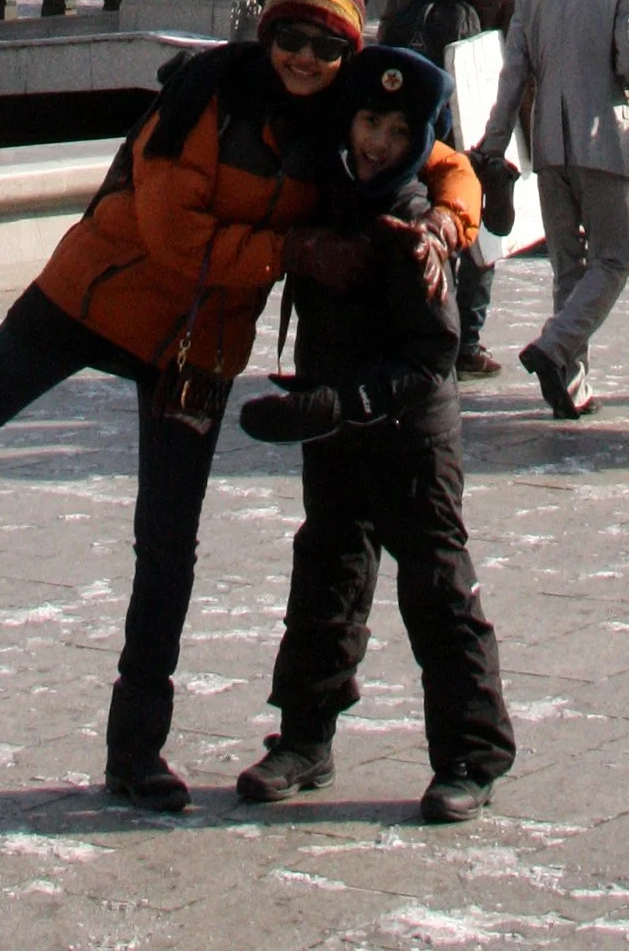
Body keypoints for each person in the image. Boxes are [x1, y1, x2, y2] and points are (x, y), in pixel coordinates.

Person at [0, 0, 482, 814]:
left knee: (168, 547)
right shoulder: (205, 95)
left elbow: (449, 159)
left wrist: (445, 223)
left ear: (347, 55)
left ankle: (137, 750)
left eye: (326, 46)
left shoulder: (347, 117)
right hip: (91, 298)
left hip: (195, 347)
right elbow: (171, 233)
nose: (304, 58)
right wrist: (292, 254)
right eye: (289, 37)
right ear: (264, 34)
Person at [234, 45, 514, 825]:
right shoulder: (326, 195)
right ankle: (303, 737)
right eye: (368, 121)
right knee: (326, 575)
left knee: (436, 589)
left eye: (397, 129)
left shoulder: (419, 226)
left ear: (420, 139)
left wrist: (338, 404)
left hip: (411, 440)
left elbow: (433, 365)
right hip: (339, 427)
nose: (378, 142)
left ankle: (470, 755)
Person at [477, 0, 629, 420]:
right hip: (603, 137)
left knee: (568, 265)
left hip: (549, 144)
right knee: (615, 259)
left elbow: (513, 74)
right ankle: (555, 345)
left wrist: (494, 144)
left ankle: (572, 385)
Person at [379, 0, 524, 378]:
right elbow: (521, 62)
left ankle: (412, 327)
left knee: (417, 218)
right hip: (475, 124)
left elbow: (385, 40)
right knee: (477, 231)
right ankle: (466, 341)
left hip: (414, 121)